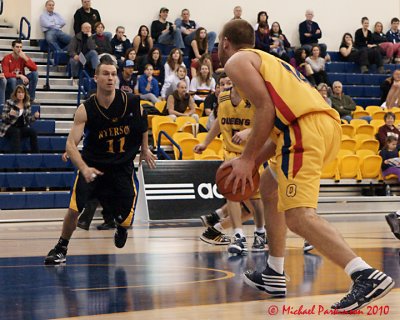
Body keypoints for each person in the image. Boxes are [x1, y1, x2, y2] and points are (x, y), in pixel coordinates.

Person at [217, 19, 394, 310]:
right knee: (270, 185)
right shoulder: (270, 62)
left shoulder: (236, 61)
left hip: (303, 130)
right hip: (319, 126)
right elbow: (277, 130)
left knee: (298, 216)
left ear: (225, 42)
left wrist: (247, 158)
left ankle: (364, 273)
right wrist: (251, 163)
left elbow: (266, 109)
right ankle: (274, 271)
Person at [44, 60, 156, 265]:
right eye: (106, 74)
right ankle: (61, 246)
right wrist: (84, 168)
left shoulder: (131, 102)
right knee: (74, 209)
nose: (111, 78)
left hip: (122, 168)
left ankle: (121, 228)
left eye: (114, 74)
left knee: (126, 219)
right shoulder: (85, 109)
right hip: (93, 166)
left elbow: (143, 124)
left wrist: (145, 149)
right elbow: (70, 144)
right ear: (96, 78)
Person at [194, 81, 266, 254]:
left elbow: (266, 121)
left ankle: (260, 232)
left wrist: (248, 132)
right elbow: (220, 121)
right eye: (224, 81)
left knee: (256, 201)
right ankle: (238, 237)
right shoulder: (223, 97)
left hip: (252, 155)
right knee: (232, 195)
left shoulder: (255, 97)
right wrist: (205, 142)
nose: (228, 82)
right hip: (230, 155)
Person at [0, 84, 39, 153]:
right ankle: (17, 156)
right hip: (9, 127)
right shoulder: (9, 102)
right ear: (15, 93)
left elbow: (28, 120)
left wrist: (34, 117)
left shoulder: (27, 104)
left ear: (25, 94)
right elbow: (3, 117)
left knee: (33, 132)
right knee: (16, 131)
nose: (20, 94)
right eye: (19, 92)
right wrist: (9, 114)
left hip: (21, 127)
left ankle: (36, 154)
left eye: (22, 92)